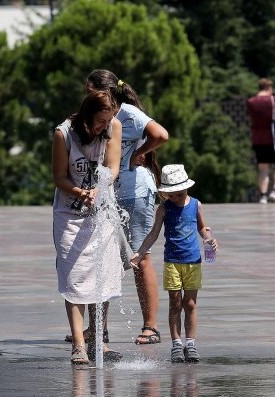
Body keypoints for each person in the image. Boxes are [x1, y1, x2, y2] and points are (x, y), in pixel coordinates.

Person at [85, 69, 169, 346]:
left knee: (139, 257)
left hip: (135, 192)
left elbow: (161, 134)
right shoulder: (99, 116)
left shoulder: (128, 113)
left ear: (106, 91)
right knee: (105, 259)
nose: (87, 95)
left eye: (91, 90)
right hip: (111, 192)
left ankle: (151, 327)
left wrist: (137, 154)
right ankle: (99, 328)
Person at [53, 90, 124, 365]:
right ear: (87, 117)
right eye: (100, 121)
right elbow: (58, 177)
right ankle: (79, 345)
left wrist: (99, 188)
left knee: (103, 275)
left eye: (108, 121)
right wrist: (80, 192)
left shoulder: (113, 126)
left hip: (102, 210)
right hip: (70, 214)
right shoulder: (63, 134)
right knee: (74, 277)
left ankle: (98, 338)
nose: (104, 127)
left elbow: (113, 167)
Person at [131, 164, 217, 364]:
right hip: (172, 262)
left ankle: (191, 343)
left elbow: (202, 227)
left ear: (187, 188)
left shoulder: (196, 204)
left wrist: (208, 239)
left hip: (193, 262)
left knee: (191, 304)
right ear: (166, 194)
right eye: (172, 195)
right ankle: (176, 343)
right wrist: (140, 253)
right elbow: (153, 233)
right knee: (175, 303)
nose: (177, 198)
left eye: (180, 194)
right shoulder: (164, 208)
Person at [246, 78, 275, 204]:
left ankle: (263, 196)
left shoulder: (251, 101)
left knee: (262, 167)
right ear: (269, 88)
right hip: (272, 138)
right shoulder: (273, 100)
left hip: (257, 138)